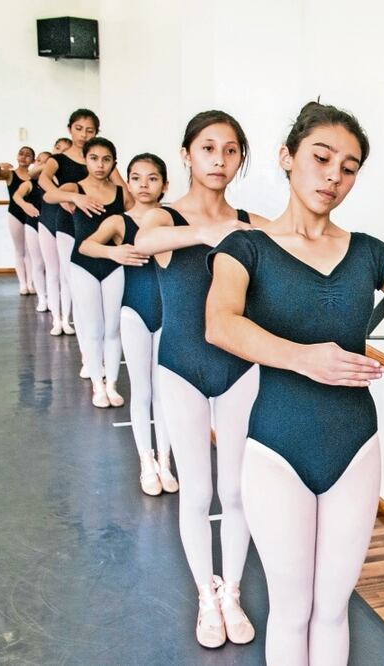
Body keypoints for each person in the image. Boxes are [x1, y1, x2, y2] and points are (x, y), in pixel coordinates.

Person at [206, 101, 384, 664]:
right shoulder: (246, 247)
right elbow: (220, 323)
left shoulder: (371, 253)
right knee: (291, 610)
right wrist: (305, 358)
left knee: (333, 608)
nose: (334, 175)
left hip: (354, 445)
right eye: (322, 157)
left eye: (350, 166)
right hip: (276, 445)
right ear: (288, 158)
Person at [134, 110, 267, 649]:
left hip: (239, 368)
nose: (219, 158)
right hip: (181, 367)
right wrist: (225, 231)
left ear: (240, 159)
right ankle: (204, 597)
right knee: (199, 489)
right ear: (186, 155)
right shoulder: (163, 221)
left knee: (237, 490)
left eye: (231, 149)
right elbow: (145, 242)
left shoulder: (253, 225)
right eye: (208, 148)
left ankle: (231, 590)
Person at [79, 152, 178, 493]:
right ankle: (145, 462)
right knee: (142, 390)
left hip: (169, 313)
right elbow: (86, 246)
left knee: (164, 391)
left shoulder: (173, 218)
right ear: (128, 182)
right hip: (134, 311)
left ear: (165, 184)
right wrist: (113, 253)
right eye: (136, 177)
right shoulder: (120, 222)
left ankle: (165, 461)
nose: (144, 184)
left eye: (152, 178)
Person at [40, 110, 124, 339]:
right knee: (72, 280)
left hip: (98, 227)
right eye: (78, 129)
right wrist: (72, 197)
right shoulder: (58, 159)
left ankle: (92, 346)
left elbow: (124, 191)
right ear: (69, 129)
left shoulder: (102, 159)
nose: (83, 134)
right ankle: (63, 321)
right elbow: (43, 181)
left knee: (96, 292)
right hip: (70, 223)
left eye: (89, 130)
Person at [68, 137, 133, 407]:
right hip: (83, 264)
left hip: (114, 264)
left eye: (106, 159)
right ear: (85, 159)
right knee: (93, 329)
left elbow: (138, 214)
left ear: (113, 163)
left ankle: (112, 384)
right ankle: (97, 385)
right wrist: (73, 197)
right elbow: (49, 194)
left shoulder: (121, 193)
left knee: (112, 328)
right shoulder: (76, 187)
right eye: (94, 158)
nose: (100, 164)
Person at [0, 147, 37, 296]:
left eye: (28, 155)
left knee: (31, 250)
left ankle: (31, 283)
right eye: (21, 154)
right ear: (17, 156)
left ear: (33, 159)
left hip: (31, 213)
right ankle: (22, 284)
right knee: (20, 250)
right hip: (15, 214)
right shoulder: (11, 174)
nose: (24, 157)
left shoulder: (34, 176)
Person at [13, 151, 50, 311]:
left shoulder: (53, 183)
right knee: (38, 262)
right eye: (39, 161)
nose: (41, 164)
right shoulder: (30, 183)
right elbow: (17, 196)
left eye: (45, 161)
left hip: (50, 225)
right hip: (33, 224)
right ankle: (42, 298)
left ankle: (54, 295)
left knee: (52, 265)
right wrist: (24, 205)